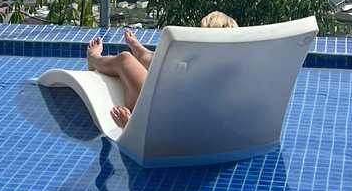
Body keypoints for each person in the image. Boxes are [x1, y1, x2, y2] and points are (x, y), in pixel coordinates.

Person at [86, 13, 239, 128]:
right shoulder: (229, 72)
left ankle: (94, 59)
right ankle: (141, 53)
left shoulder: (203, 74)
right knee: (169, 62)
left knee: (125, 59)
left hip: (151, 114)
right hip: (167, 109)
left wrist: (134, 125)